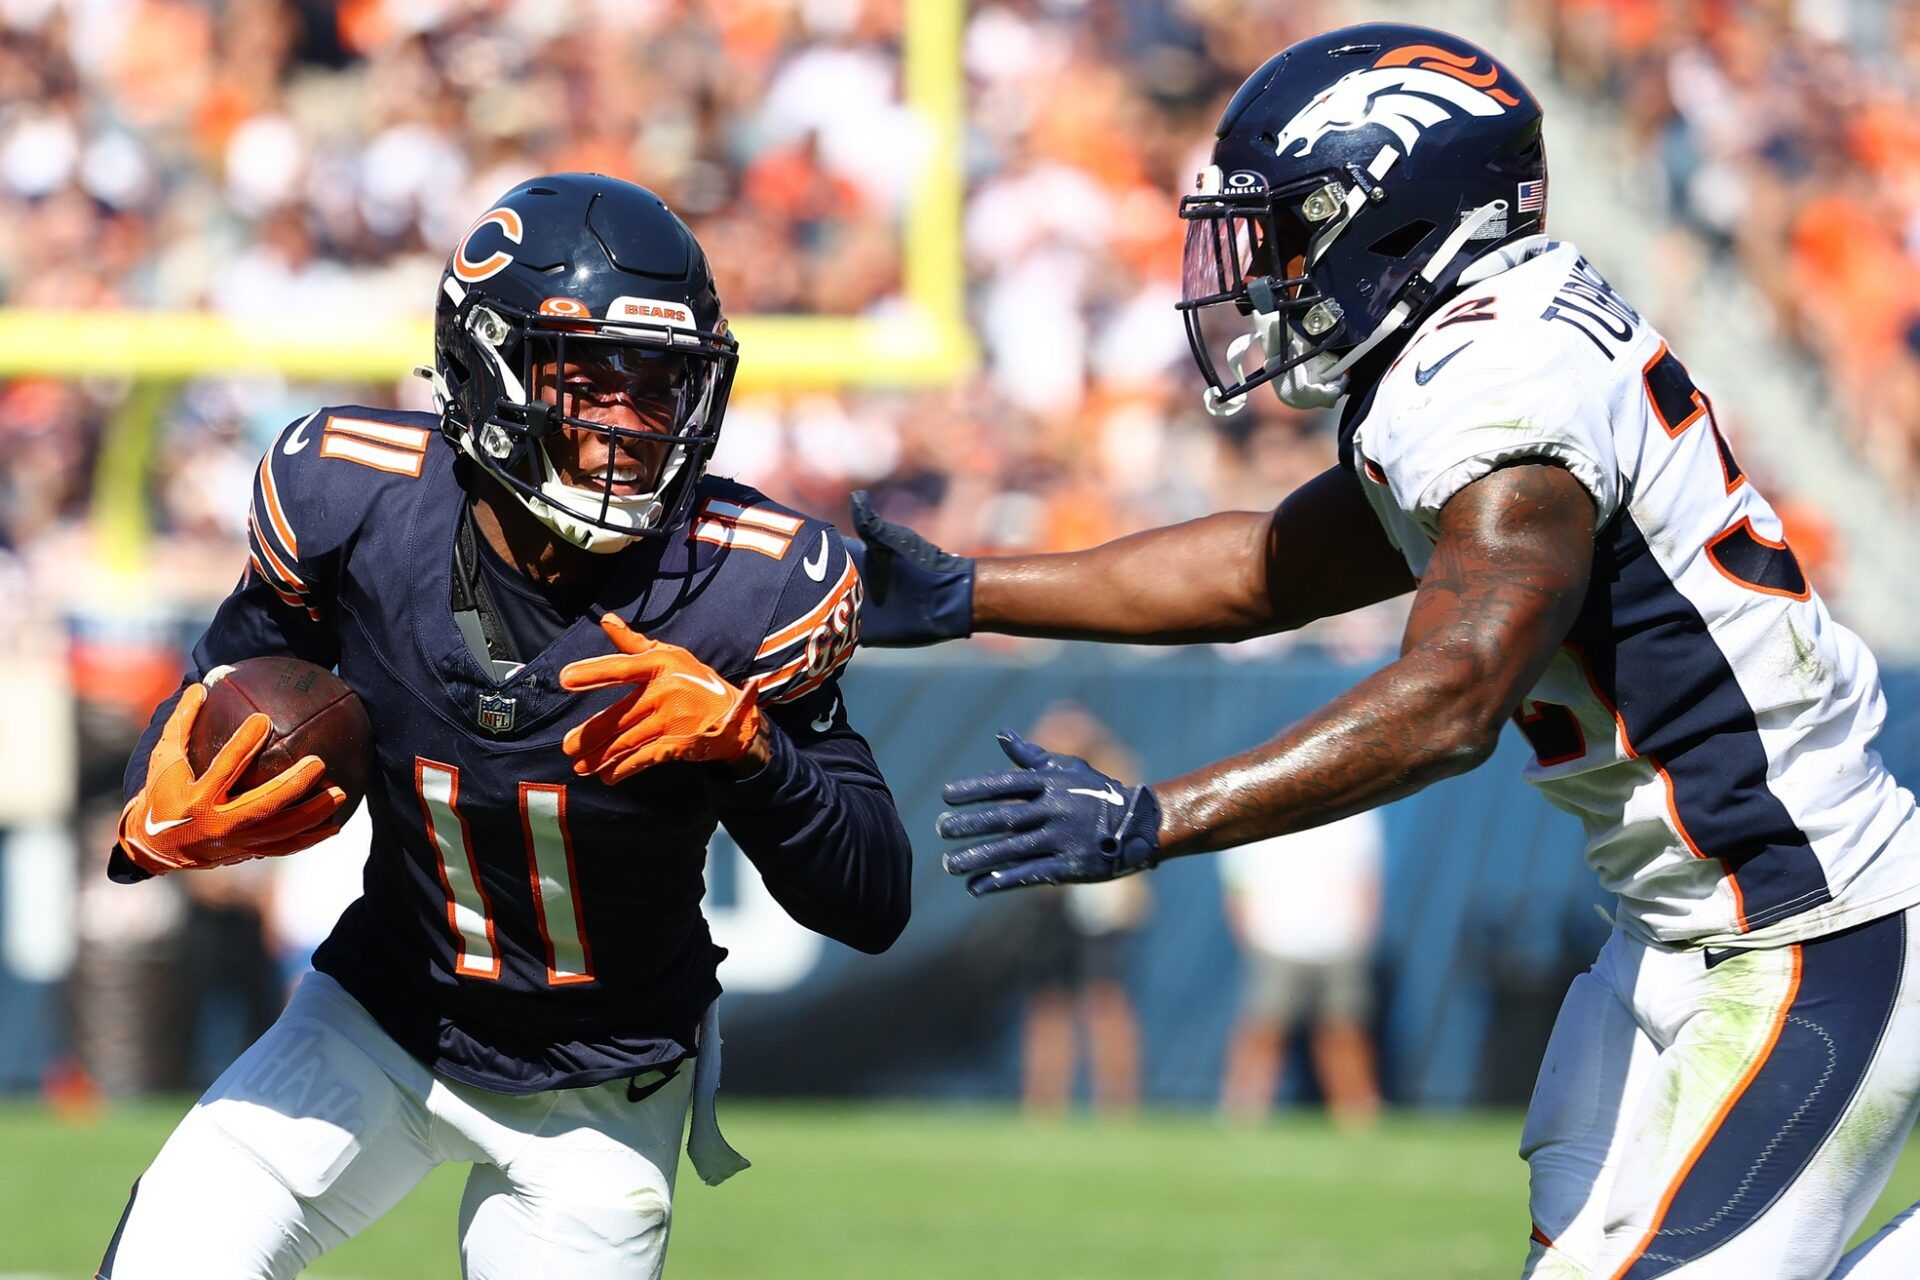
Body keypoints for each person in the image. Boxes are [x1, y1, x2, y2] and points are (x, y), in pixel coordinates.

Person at [852, 24, 1920, 1279]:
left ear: (1396, 214)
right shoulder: (1472, 348)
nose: (1262, 275)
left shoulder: (1502, 379)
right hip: (1676, 931)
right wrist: (977, 589)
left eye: (1291, 229)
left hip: (1805, 932)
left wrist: (1158, 816)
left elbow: (1453, 698)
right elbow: (1268, 567)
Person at [97, 173, 912, 1279]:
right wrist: (158, 818)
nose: (627, 425)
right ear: (487, 365)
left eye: (659, 388)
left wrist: (753, 752)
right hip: (382, 1013)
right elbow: (209, 707)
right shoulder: (353, 498)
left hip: (601, 1085)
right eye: (589, 381)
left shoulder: (750, 584)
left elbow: (872, 899)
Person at [1013, 702, 1149, 1116]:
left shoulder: (1113, 776)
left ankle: (1118, 1104)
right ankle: (1043, 1103)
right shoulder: (1037, 781)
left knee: (1105, 1002)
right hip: (1053, 901)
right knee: (1049, 1004)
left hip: (1099, 903)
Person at [1218, 812, 1383, 1130]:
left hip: (1340, 939)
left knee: (1344, 1030)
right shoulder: (1263, 803)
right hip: (1276, 938)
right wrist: (1250, 932)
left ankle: (1358, 1116)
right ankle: (1241, 1113)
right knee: (1264, 1029)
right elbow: (1237, 877)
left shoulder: (1356, 811)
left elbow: (1367, 876)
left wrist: (1361, 932)